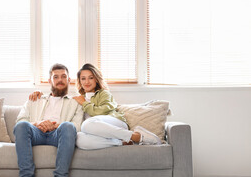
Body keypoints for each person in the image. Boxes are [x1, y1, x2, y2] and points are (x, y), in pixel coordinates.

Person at [29, 63, 161, 150]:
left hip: (115, 124)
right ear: (79, 81)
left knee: (87, 124)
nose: (87, 82)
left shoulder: (103, 93)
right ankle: (122, 142)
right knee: (79, 140)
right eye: (83, 78)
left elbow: (102, 112)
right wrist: (41, 94)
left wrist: (84, 103)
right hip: (99, 132)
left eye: (90, 78)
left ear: (96, 79)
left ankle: (136, 136)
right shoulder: (77, 98)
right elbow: (57, 99)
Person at [7, 63, 83, 177]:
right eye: (56, 77)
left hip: (59, 134)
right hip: (37, 132)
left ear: (69, 80)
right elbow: (20, 120)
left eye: (63, 76)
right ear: (49, 81)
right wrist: (38, 124)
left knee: (68, 126)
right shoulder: (35, 99)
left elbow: (77, 126)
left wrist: (53, 126)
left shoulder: (75, 102)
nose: (60, 80)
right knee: (22, 125)